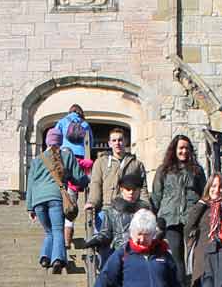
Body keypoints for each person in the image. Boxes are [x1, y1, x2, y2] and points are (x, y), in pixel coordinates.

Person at [25, 127, 87, 273]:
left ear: (47, 141)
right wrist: (86, 181)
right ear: (60, 141)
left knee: (49, 231)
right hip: (55, 198)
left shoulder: (37, 160)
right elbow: (78, 177)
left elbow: (31, 184)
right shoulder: (66, 155)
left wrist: (29, 207)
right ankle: (58, 259)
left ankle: (45, 257)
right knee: (58, 230)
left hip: (38, 200)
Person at [150, 134, 206, 287]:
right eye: (181, 148)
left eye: (187, 148)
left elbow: (204, 193)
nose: (184, 151)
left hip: (192, 217)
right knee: (176, 255)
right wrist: (154, 216)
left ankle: (197, 284)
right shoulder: (164, 170)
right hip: (170, 218)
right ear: (174, 150)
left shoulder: (197, 171)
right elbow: (156, 194)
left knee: (194, 254)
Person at [86, 127, 149, 224]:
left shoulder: (136, 164)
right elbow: (95, 184)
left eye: (120, 140)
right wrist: (92, 202)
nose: (117, 143)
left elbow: (143, 187)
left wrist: (145, 206)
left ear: (125, 141)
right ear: (109, 143)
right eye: (114, 140)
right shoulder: (100, 163)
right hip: (106, 209)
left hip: (129, 210)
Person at [86, 167, 147, 260]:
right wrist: (97, 239)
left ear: (139, 191)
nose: (131, 192)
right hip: (119, 251)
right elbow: (106, 233)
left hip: (141, 252)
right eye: (128, 189)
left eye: (134, 190)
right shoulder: (112, 210)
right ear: (122, 189)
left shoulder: (145, 211)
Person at [56, 105, 93, 254]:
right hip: (79, 162)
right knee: (71, 203)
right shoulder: (85, 124)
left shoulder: (62, 121)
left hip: (63, 159)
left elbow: (55, 137)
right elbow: (91, 141)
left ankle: (61, 239)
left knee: (60, 200)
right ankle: (67, 239)